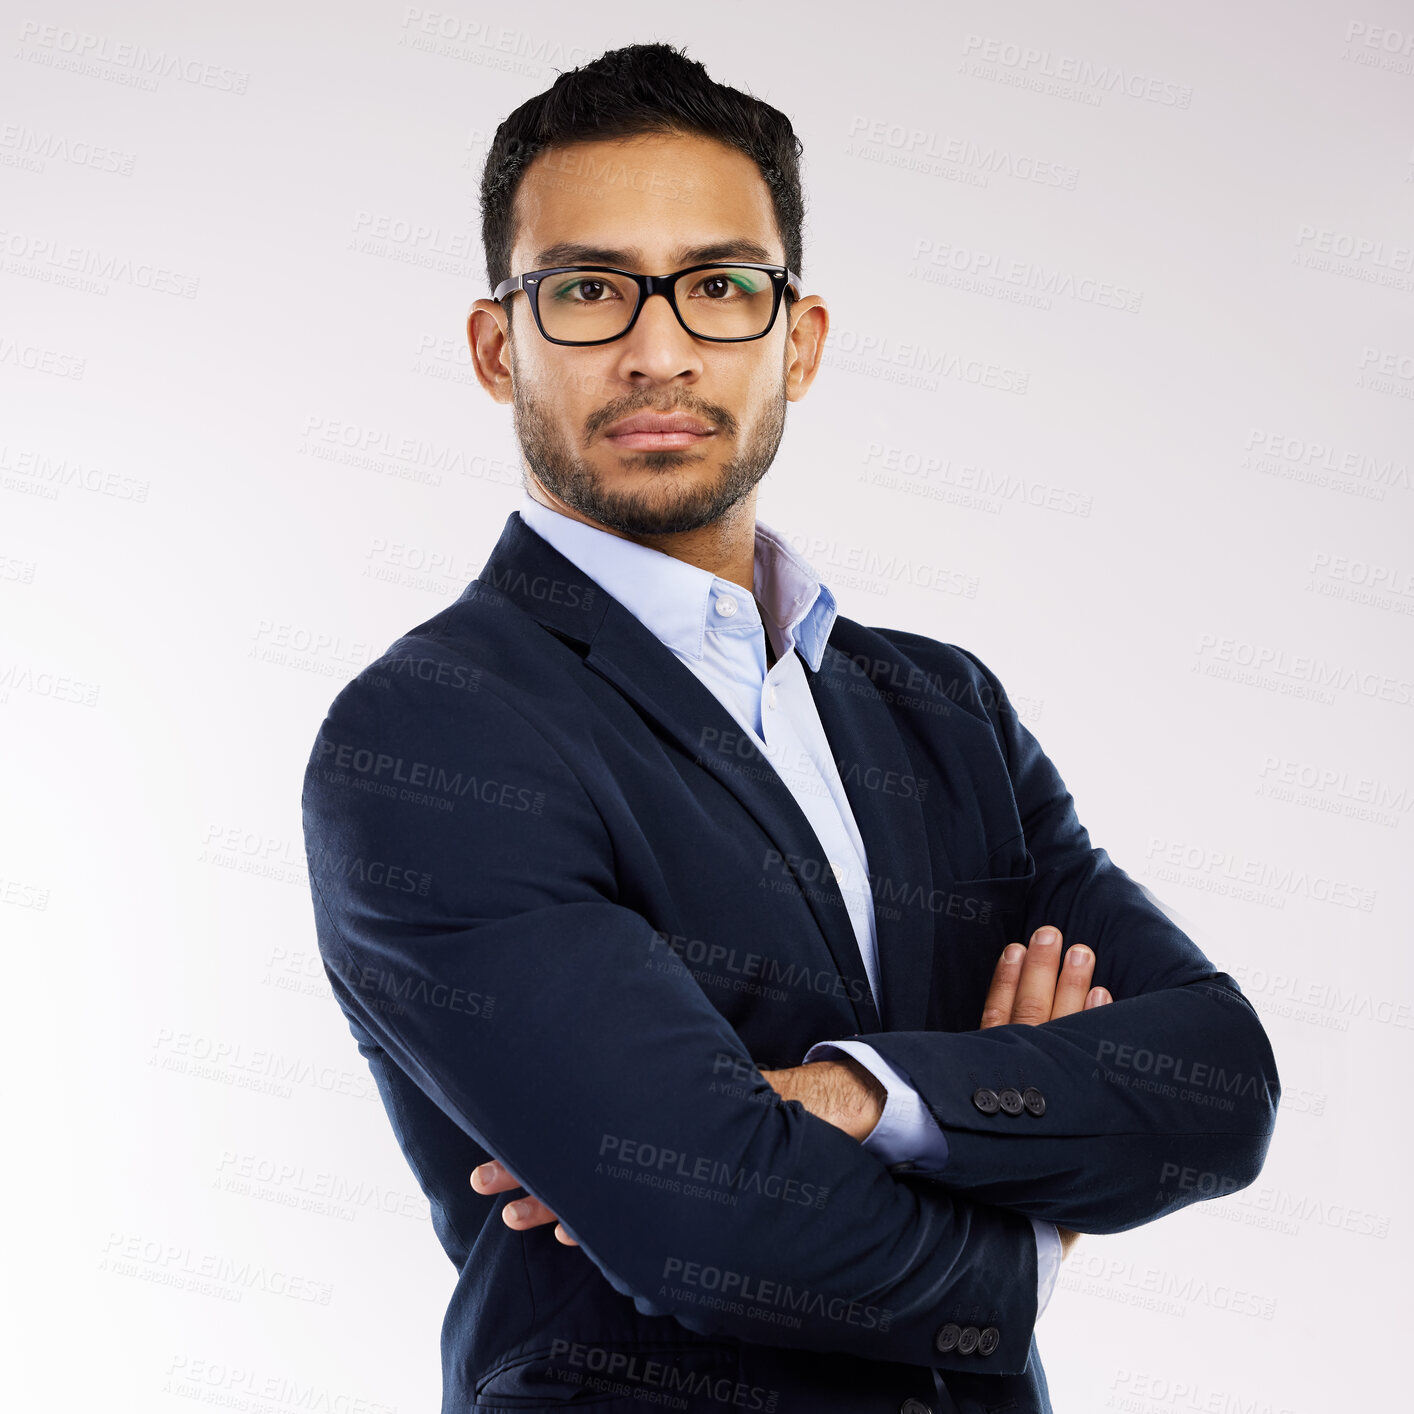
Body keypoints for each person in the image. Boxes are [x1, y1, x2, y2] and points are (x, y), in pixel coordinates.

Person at [301, 42, 1280, 1414]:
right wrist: (1033, 1228)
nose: (657, 348)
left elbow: (1217, 1081)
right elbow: (706, 1221)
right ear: (495, 343)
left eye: (717, 288)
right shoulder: (436, 731)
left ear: (796, 339)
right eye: (586, 289)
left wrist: (857, 1096)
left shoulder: (942, 712)